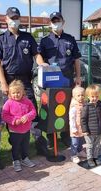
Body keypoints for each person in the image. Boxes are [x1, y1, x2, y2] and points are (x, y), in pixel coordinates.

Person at [0, 6, 48, 155]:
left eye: (16, 18)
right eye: (11, 18)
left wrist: (43, 64)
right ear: (6, 19)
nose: (14, 20)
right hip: (9, 81)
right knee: (12, 115)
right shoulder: (0, 39)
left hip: (25, 81)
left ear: (20, 19)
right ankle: (16, 150)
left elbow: (36, 55)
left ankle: (40, 147)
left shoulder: (28, 37)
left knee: (32, 113)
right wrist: (3, 83)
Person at [39, 11, 82, 147]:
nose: (56, 23)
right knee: (51, 109)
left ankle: (65, 135)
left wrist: (78, 77)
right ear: (50, 23)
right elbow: (38, 56)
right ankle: (52, 139)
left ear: (63, 22)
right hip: (50, 80)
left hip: (67, 79)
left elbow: (76, 59)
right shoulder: (45, 41)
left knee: (66, 108)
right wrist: (41, 64)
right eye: (53, 21)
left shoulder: (70, 39)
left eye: (58, 21)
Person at [2, 80, 37, 172]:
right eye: (13, 93)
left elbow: (33, 112)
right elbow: (4, 115)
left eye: (18, 92)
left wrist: (28, 116)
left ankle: (25, 158)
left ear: (23, 92)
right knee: (16, 146)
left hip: (26, 129)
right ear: (10, 93)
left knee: (25, 145)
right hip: (14, 131)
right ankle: (16, 160)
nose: (16, 95)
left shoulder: (27, 101)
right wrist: (14, 121)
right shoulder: (8, 103)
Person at [81, 84, 101, 167]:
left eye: (96, 96)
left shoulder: (100, 105)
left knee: (97, 145)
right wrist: (85, 130)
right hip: (89, 131)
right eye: (92, 96)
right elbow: (83, 119)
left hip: (99, 130)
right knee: (90, 146)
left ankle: (95, 157)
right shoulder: (86, 107)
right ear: (88, 97)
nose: (95, 98)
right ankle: (89, 158)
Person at [69, 86, 87, 163]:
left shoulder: (84, 104)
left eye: (82, 95)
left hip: (82, 127)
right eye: (78, 95)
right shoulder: (74, 107)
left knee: (81, 141)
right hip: (75, 128)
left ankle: (80, 151)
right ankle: (73, 155)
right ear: (74, 96)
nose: (81, 97)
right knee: (75, 142)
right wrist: (73, 128)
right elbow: (72, 118)